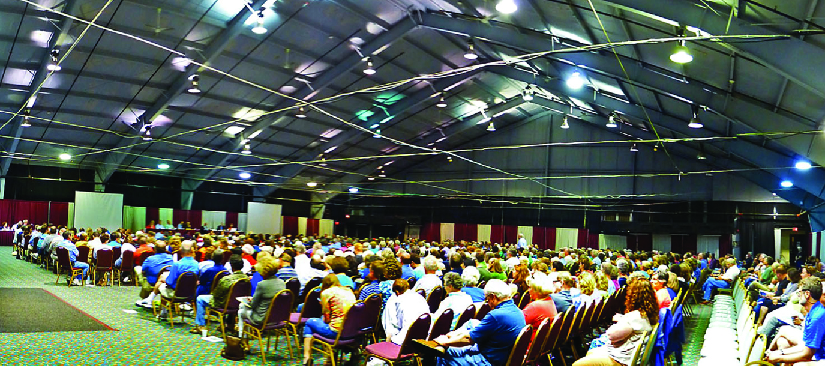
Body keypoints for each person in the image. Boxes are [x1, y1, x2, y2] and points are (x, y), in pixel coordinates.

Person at [432, 279, 527, 366]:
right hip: (501, 354)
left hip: (488, 360)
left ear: (493, 297)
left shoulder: (496, 315)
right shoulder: (518, 311)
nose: (488, 303)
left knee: (443, 355)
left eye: (487, 299)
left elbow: (468, 340)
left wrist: (445, 342)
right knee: (472, 323)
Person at [572, 278, 658, 366]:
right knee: (592, 352)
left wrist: (620, 321)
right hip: (628, 356)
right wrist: (623, 319)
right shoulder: (649, 314)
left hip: (622, 360)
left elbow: (611, 335)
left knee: (577, 364)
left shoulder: (634, 316)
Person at [763, 277, 825, 364]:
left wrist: (779, 358)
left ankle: (767, 354)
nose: (798, 295)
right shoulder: (814, 310)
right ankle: (767, 352)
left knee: (799, 364)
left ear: (807, 294)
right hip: (813, 350)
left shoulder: (817, 317)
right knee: (783, 342)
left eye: (799, 292)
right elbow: (805, 344)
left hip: (820, 356)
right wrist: (780, 353)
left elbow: (807, 354)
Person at [301, 274, 356, 365]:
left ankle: (307, 357)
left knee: (309, 322)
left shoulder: (327, 293)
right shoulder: (349, 291)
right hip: (351, 332)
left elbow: (327, 319)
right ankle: (330, 358)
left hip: (336, 332)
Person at [190, 255, 249, 334]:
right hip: (238, 304)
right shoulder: (246, 279)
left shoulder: (227, 279)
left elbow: (216, 295)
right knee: (231, 299)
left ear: (231, 266)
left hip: (223, 304)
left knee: (200, 299)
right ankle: (230, 324)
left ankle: (201, 326)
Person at [238, 255, 286, 337]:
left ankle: (242, 338)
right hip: (277, 318)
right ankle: (246, 336)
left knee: (241, 310)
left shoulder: (262, 284)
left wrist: (248, 301)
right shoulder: (282, 282)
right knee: (242, 306)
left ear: (264, 271)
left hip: (262, 319)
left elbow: (253, 305)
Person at [157, 241, 199, 320]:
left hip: (175, 294)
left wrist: (163, 279)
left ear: (181, 252)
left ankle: (163, 312)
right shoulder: (197, 264)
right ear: (191, 251)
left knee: (161, 285)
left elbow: (169, 282)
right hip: (191, 294)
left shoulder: (177, 264)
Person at [383, 278, 430, 345]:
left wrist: (389, 339)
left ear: (397, 292)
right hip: (424, 338)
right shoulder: (420, 297)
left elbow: (395, 324)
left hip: (405, 341)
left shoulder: (397, 301)